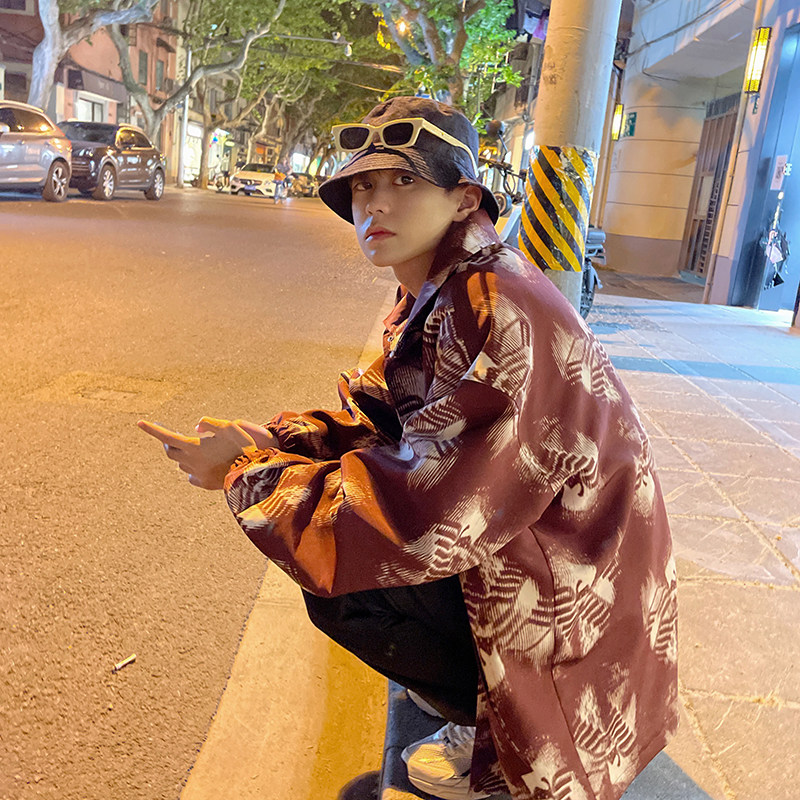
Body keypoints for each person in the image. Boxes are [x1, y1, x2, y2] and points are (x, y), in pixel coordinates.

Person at [138, 97, 678, 800]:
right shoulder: (445, 285)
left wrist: (246, 474)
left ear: (464, 200)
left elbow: (423, 516)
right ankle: (474, 704)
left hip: (577, 594)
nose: (375, 203)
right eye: (363, 184)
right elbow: (384, 416)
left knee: (350, 585)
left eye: (404, 181)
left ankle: (493, 735)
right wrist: (277, 441)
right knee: (339, 555)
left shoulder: (493, 308)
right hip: (556, 558)